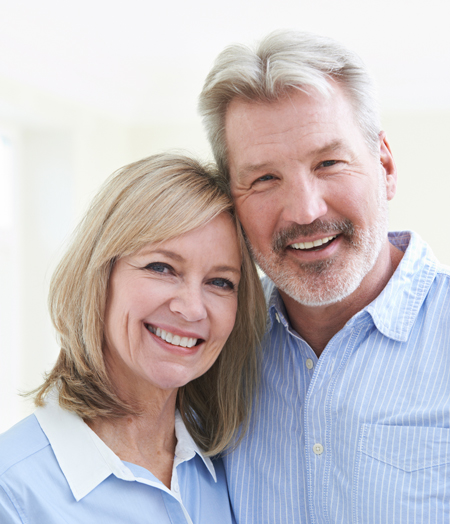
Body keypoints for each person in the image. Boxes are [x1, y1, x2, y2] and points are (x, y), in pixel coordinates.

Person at [199, 30, 450, 524]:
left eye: (329, 162)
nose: (306, 210)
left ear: (385, 165)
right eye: (265, 178)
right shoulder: (214, 347)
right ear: (232, 199)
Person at [0, 153, 266, 524]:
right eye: (162, 268)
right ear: (100, 276)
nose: (192, 309)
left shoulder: (231, 467)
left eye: (220, 282)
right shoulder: (12, 492)